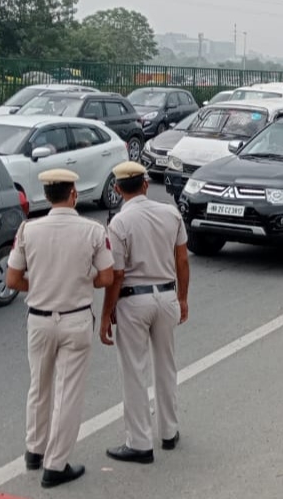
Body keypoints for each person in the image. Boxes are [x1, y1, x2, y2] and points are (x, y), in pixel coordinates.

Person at [6, 168, 115, 489]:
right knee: (68, 393)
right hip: (75, 318)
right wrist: (80, 280)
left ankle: (34, 450)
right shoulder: (92, 230)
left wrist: (42, 285)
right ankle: (55, 465)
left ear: (47, 195)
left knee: (38, 386)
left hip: (39, 319)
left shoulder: (28, 230)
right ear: (74, 194)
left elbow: (12, 279)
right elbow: (107, 277)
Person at [101, 162, 190, 465]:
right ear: (146, 184)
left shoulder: (119, 223)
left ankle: (139, 442)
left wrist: (107, 312)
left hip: (133, 301)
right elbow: (182, 261)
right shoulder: (170, 213)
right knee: (167, 366)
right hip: (166, 295)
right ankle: (169, 431)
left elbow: (117, 273)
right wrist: (183, 298)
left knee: (134, 371)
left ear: (117, 189)